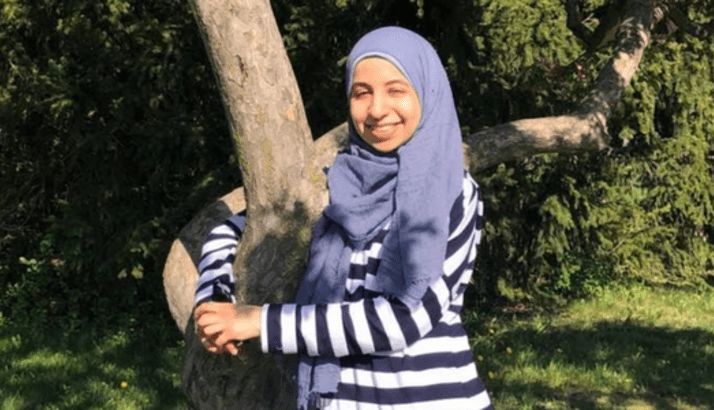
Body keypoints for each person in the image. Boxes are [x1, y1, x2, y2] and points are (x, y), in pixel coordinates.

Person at [194, 26, 493, 410]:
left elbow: (403, 320)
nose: (377, 109)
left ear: (427, 92)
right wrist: (214, 301)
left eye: (396, 90)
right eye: (361, 92)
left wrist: (257, 322)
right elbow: (230, 229)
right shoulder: (335, 184)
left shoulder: (452, 191)